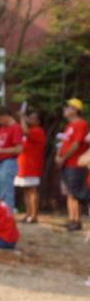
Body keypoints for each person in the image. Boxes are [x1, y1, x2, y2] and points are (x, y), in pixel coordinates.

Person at [56, 98, 89, 231]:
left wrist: (63, 157)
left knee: (75, 192)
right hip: (66, 162)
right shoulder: (68, 126)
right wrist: (58, 156)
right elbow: (63, 143)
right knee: (68, 191)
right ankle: (71, 219)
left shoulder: (80, 124)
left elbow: (76, 144)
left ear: (75, 109)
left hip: (75, 163)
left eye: (67, 107)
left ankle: (77, 220)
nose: (65, 110)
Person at [16, 109, 46, 223]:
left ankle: (34, 215)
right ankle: (28, 214)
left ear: (38, 122)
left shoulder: (37, 130)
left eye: (32, 118)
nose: (29, 120)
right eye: (29, 117)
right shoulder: (30, 131)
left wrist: (22, 118)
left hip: (32, 166)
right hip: (23, 166)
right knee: (26, 190)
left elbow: (25, 131)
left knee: (32, 190)